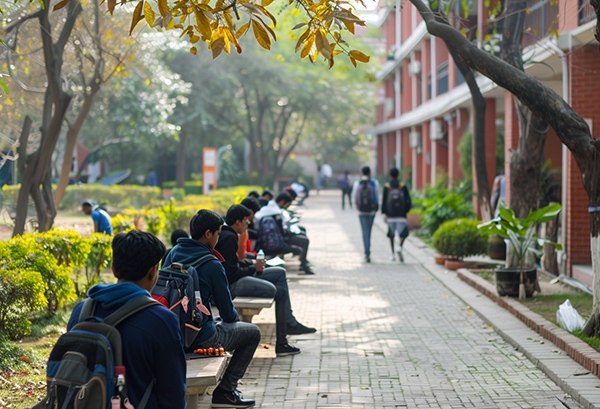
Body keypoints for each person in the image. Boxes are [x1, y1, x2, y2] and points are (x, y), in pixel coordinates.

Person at [67, 230, 186, 408]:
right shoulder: (162, 320)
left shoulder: (82, 311)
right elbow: (173, 397)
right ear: (154, 272)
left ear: (114, 269)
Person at [164, 209, 259, 408]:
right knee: (253, 333)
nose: (218, 238)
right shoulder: (212, 264)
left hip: (172, 332)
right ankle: (226, 392)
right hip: (202, 338)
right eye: (217, 233)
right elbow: (228, 313)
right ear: (208, 234)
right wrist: (221, 320)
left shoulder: (173, 253)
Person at [217, 205, 314, 344]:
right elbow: (232, 273)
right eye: (246, 221)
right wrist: (254, 268)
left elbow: (234, 263)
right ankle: (282, 340)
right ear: (237, 222)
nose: (247, 224)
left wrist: (254, 265)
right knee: (278, 292)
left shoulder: (230, 234)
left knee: (280, 272)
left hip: (238, 278)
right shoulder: (229, 237)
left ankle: (289, 321)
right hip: (233, 285)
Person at [255, 192, 314, 274]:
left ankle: (303, 263)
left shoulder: (269, 208)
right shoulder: (276, 212)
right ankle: (303, 265)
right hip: (275, 241)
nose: (287, 207)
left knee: (302, 235)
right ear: (283, 202)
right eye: (288, 204)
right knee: (304, 240)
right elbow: (282, 231)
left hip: (270, 239)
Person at [381, 168, 412, 262]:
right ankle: (400, 247)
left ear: (390, 176)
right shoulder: (403, 186)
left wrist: (385, 214)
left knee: (391, 235)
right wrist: (405, 212)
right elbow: (409, 201)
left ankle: (392, 254)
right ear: (398, 175)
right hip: (401, 216)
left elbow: (384, 202)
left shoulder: (387, 187)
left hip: (390, 216)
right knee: (403, 233)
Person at [352, 166, 380, 263]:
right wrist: (376, 208)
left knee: (364, 232)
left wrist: (357, 207)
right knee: (369, 231)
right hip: (371, 211)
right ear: (369, 173)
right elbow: (377, 195)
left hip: (361, 211)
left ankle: (366, 253)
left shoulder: (358, 183)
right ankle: (369, 251)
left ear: (361, 173)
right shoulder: (374, 182)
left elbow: (355, 197)